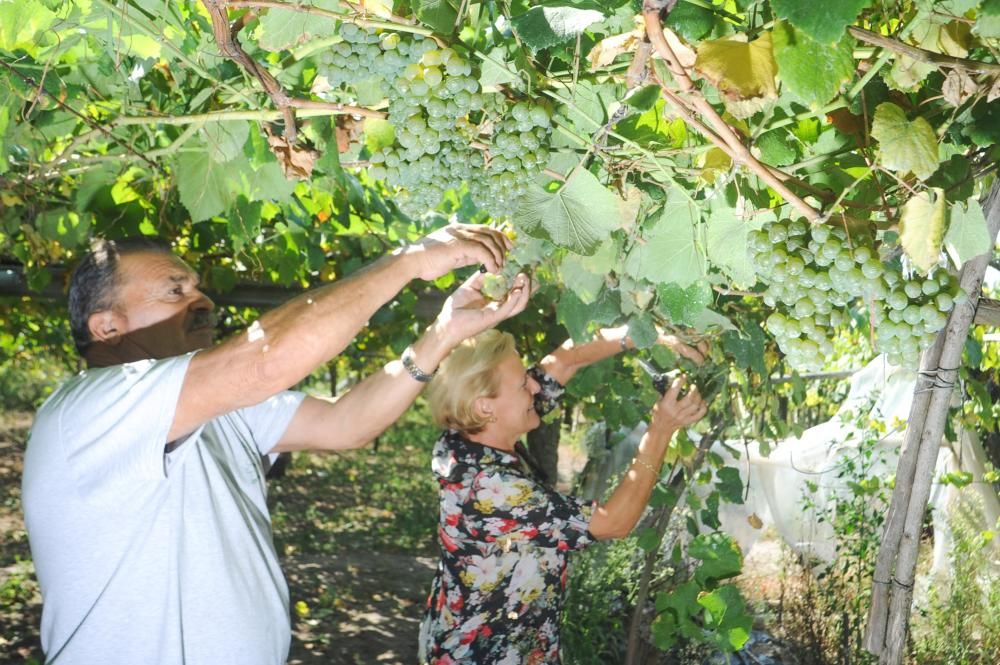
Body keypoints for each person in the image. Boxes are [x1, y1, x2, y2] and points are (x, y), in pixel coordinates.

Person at [21, 225, 530, 665]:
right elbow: (265, 360)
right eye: (175, 291)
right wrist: (408, 262)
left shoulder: (220, 410)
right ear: (107, 327)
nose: (203, 301)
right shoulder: (89, 410)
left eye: (197, 288)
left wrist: (442, 334)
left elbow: (346, 423)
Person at [417, 327, 708, 664]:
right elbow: (613, 523)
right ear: (485, 407)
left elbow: (566, 360)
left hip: (465, 635)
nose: (536, 385)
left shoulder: (465, 438)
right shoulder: (491, 488)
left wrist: (651, 333)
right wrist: (660, 431)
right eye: (523, 384)